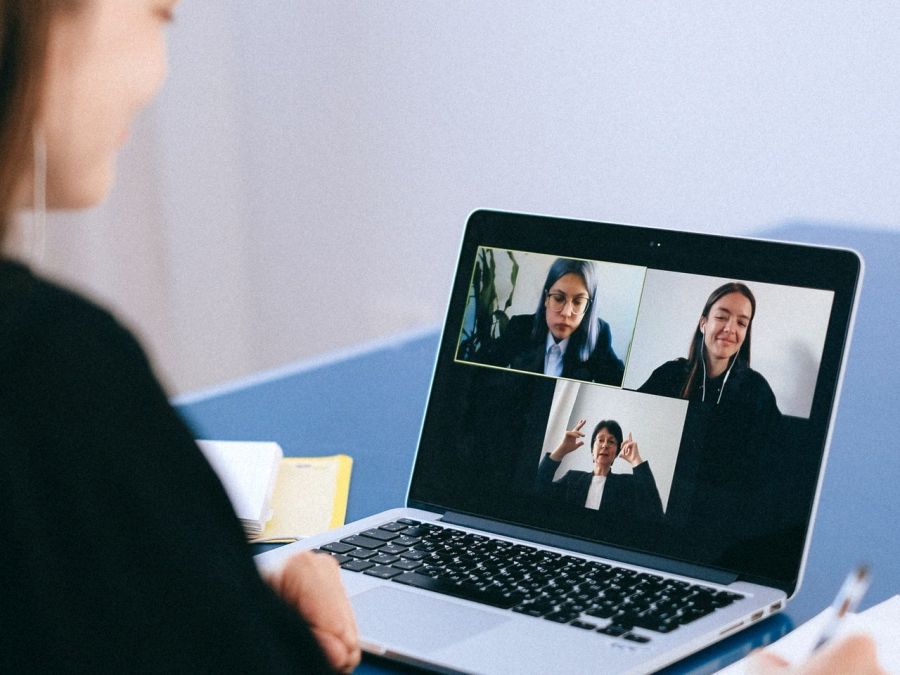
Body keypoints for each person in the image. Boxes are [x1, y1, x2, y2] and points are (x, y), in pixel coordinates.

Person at [0, 2, 359, 672]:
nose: (160, 68)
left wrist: (206, 599)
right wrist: (258, 637)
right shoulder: (54, 374)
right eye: (159, 11)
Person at [637, 282, 783, 562]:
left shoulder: (756, 389)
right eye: (722, 316)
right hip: (661, 518)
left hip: (719, 532)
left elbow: (770, 471)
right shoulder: (669, 375)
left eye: (742, 322)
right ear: (703, 323)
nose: (730, 328)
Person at [484, 257, 625, 386]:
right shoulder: (520, 327)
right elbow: (482, 371)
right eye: (558, 298)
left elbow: (619, 387)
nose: (566, 312)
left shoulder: (599, 337)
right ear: (546, 298)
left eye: (578, 302)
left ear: (588, 307)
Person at [536, 419, 663, 521]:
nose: (605, 445)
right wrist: (561, 450)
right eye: (600, 440)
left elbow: (654, 514)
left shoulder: (627, 484)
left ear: (616, 452)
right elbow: (536, 492)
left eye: (611, 441)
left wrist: (636, 460)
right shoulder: (572, 479)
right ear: (592, 450)